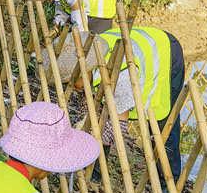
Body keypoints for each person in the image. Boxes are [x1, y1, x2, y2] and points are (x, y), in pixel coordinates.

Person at [48, 26, 185, 181]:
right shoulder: (90, 54)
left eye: (72, 82)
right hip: (136, 44)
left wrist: (91, 135)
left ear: (85, 71)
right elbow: (89, 108)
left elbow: (117, 128)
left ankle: (168, 180)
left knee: (163, 124)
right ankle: (95, 170)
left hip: (165, 53)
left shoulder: (121, 77)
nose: (70, 86)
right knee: (97, 116)